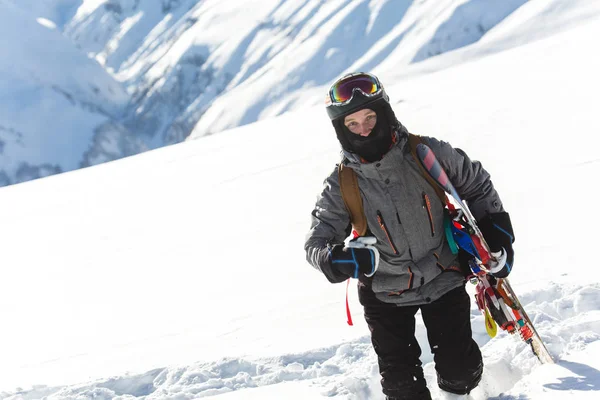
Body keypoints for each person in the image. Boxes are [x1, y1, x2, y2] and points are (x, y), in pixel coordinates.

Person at [304, 72, 515, 400]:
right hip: (384, 292)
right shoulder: (341, 184)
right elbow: (316, 242)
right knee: (403, 389)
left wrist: (497, 235)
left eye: (370, 117)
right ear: (341, 129)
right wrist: (337, 259)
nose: (364, 129)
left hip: (442, 274)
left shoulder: (425, 153)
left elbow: (476, 184)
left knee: (460, 372)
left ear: (385, 112)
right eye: (353, 124)